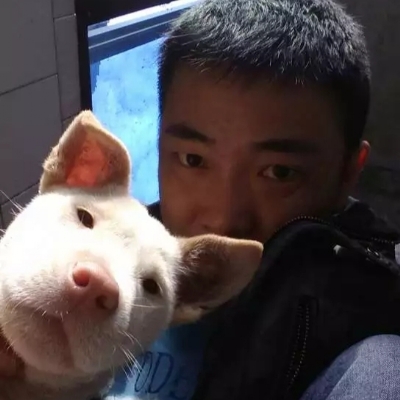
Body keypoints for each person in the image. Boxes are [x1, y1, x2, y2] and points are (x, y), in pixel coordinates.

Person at [116, 0, 400, 399]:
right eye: (194, 160)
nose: (223, 219)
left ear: (348, 173)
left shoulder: (370, 339)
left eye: (278, 172)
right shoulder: (105, 260)